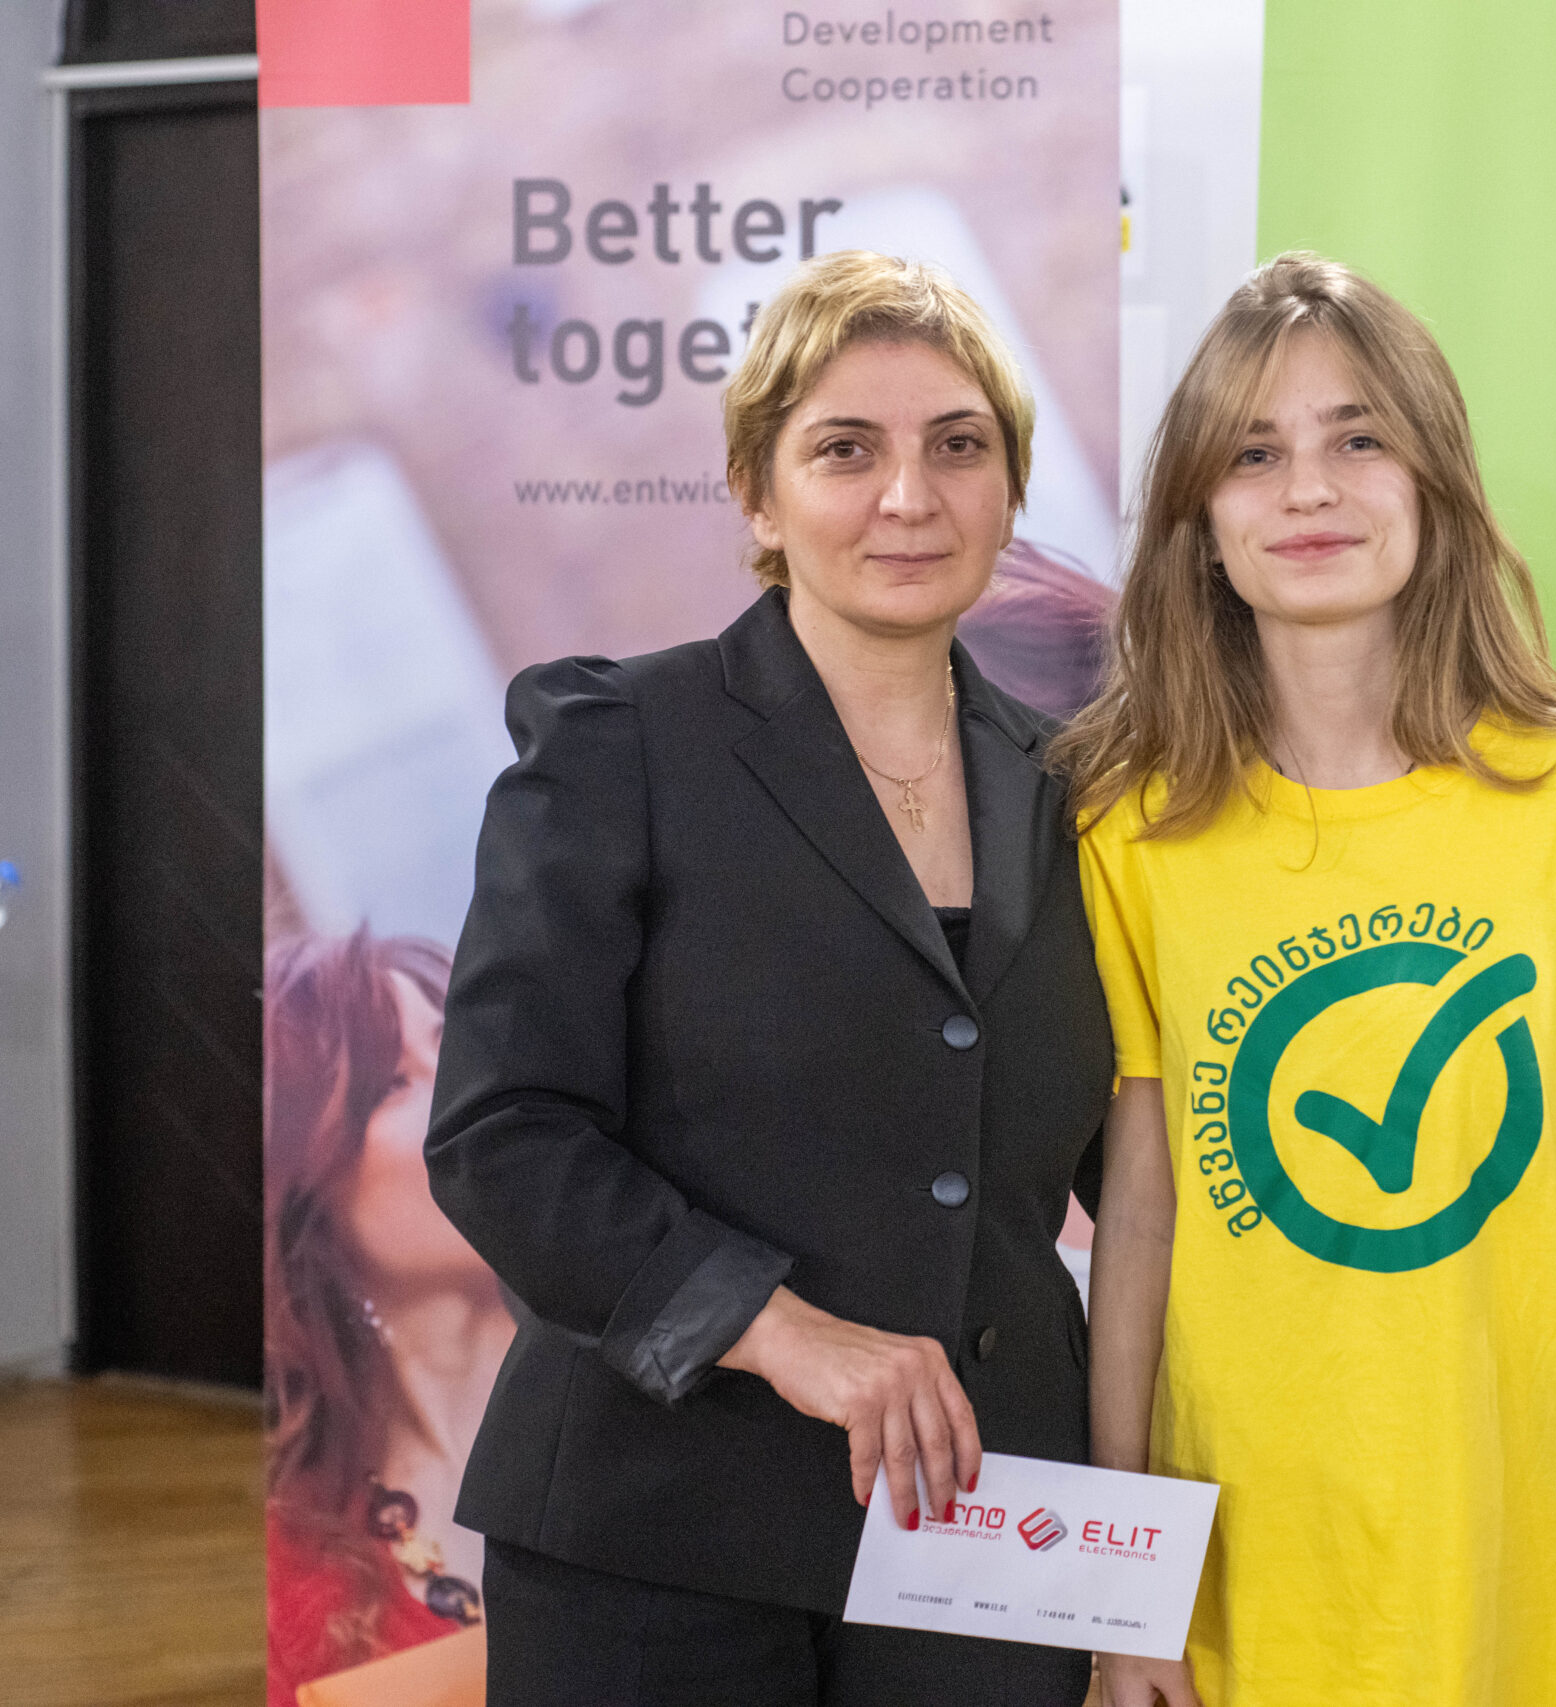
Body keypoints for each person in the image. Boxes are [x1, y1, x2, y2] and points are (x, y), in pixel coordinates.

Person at [1056, 253, 1556, 1707]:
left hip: (1541, 1561)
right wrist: (1121, 1600)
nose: (1308, 490)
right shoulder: (1129, 830)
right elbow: (1138, 1213)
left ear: (1434, 479)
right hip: (1240, 1566)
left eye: (1358, 438)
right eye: (1253, 455)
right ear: (1201, 526)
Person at [425, 250, 1114, 1707]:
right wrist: (787, 1334)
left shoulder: (1080, 793)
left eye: (959, 447)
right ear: (757, 492)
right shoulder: (621, 742)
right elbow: (503, 1136)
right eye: (844, 450)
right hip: (653, 1542)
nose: (908, 496)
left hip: (982, 1548)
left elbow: (1146, 1163)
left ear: (1010, 487)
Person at [264, 930, 514, 1706]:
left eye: (461, 1048)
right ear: (310, 1194)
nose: (469, 1094)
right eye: (395, 1083)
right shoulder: (288, 1578)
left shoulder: (671, 1395)